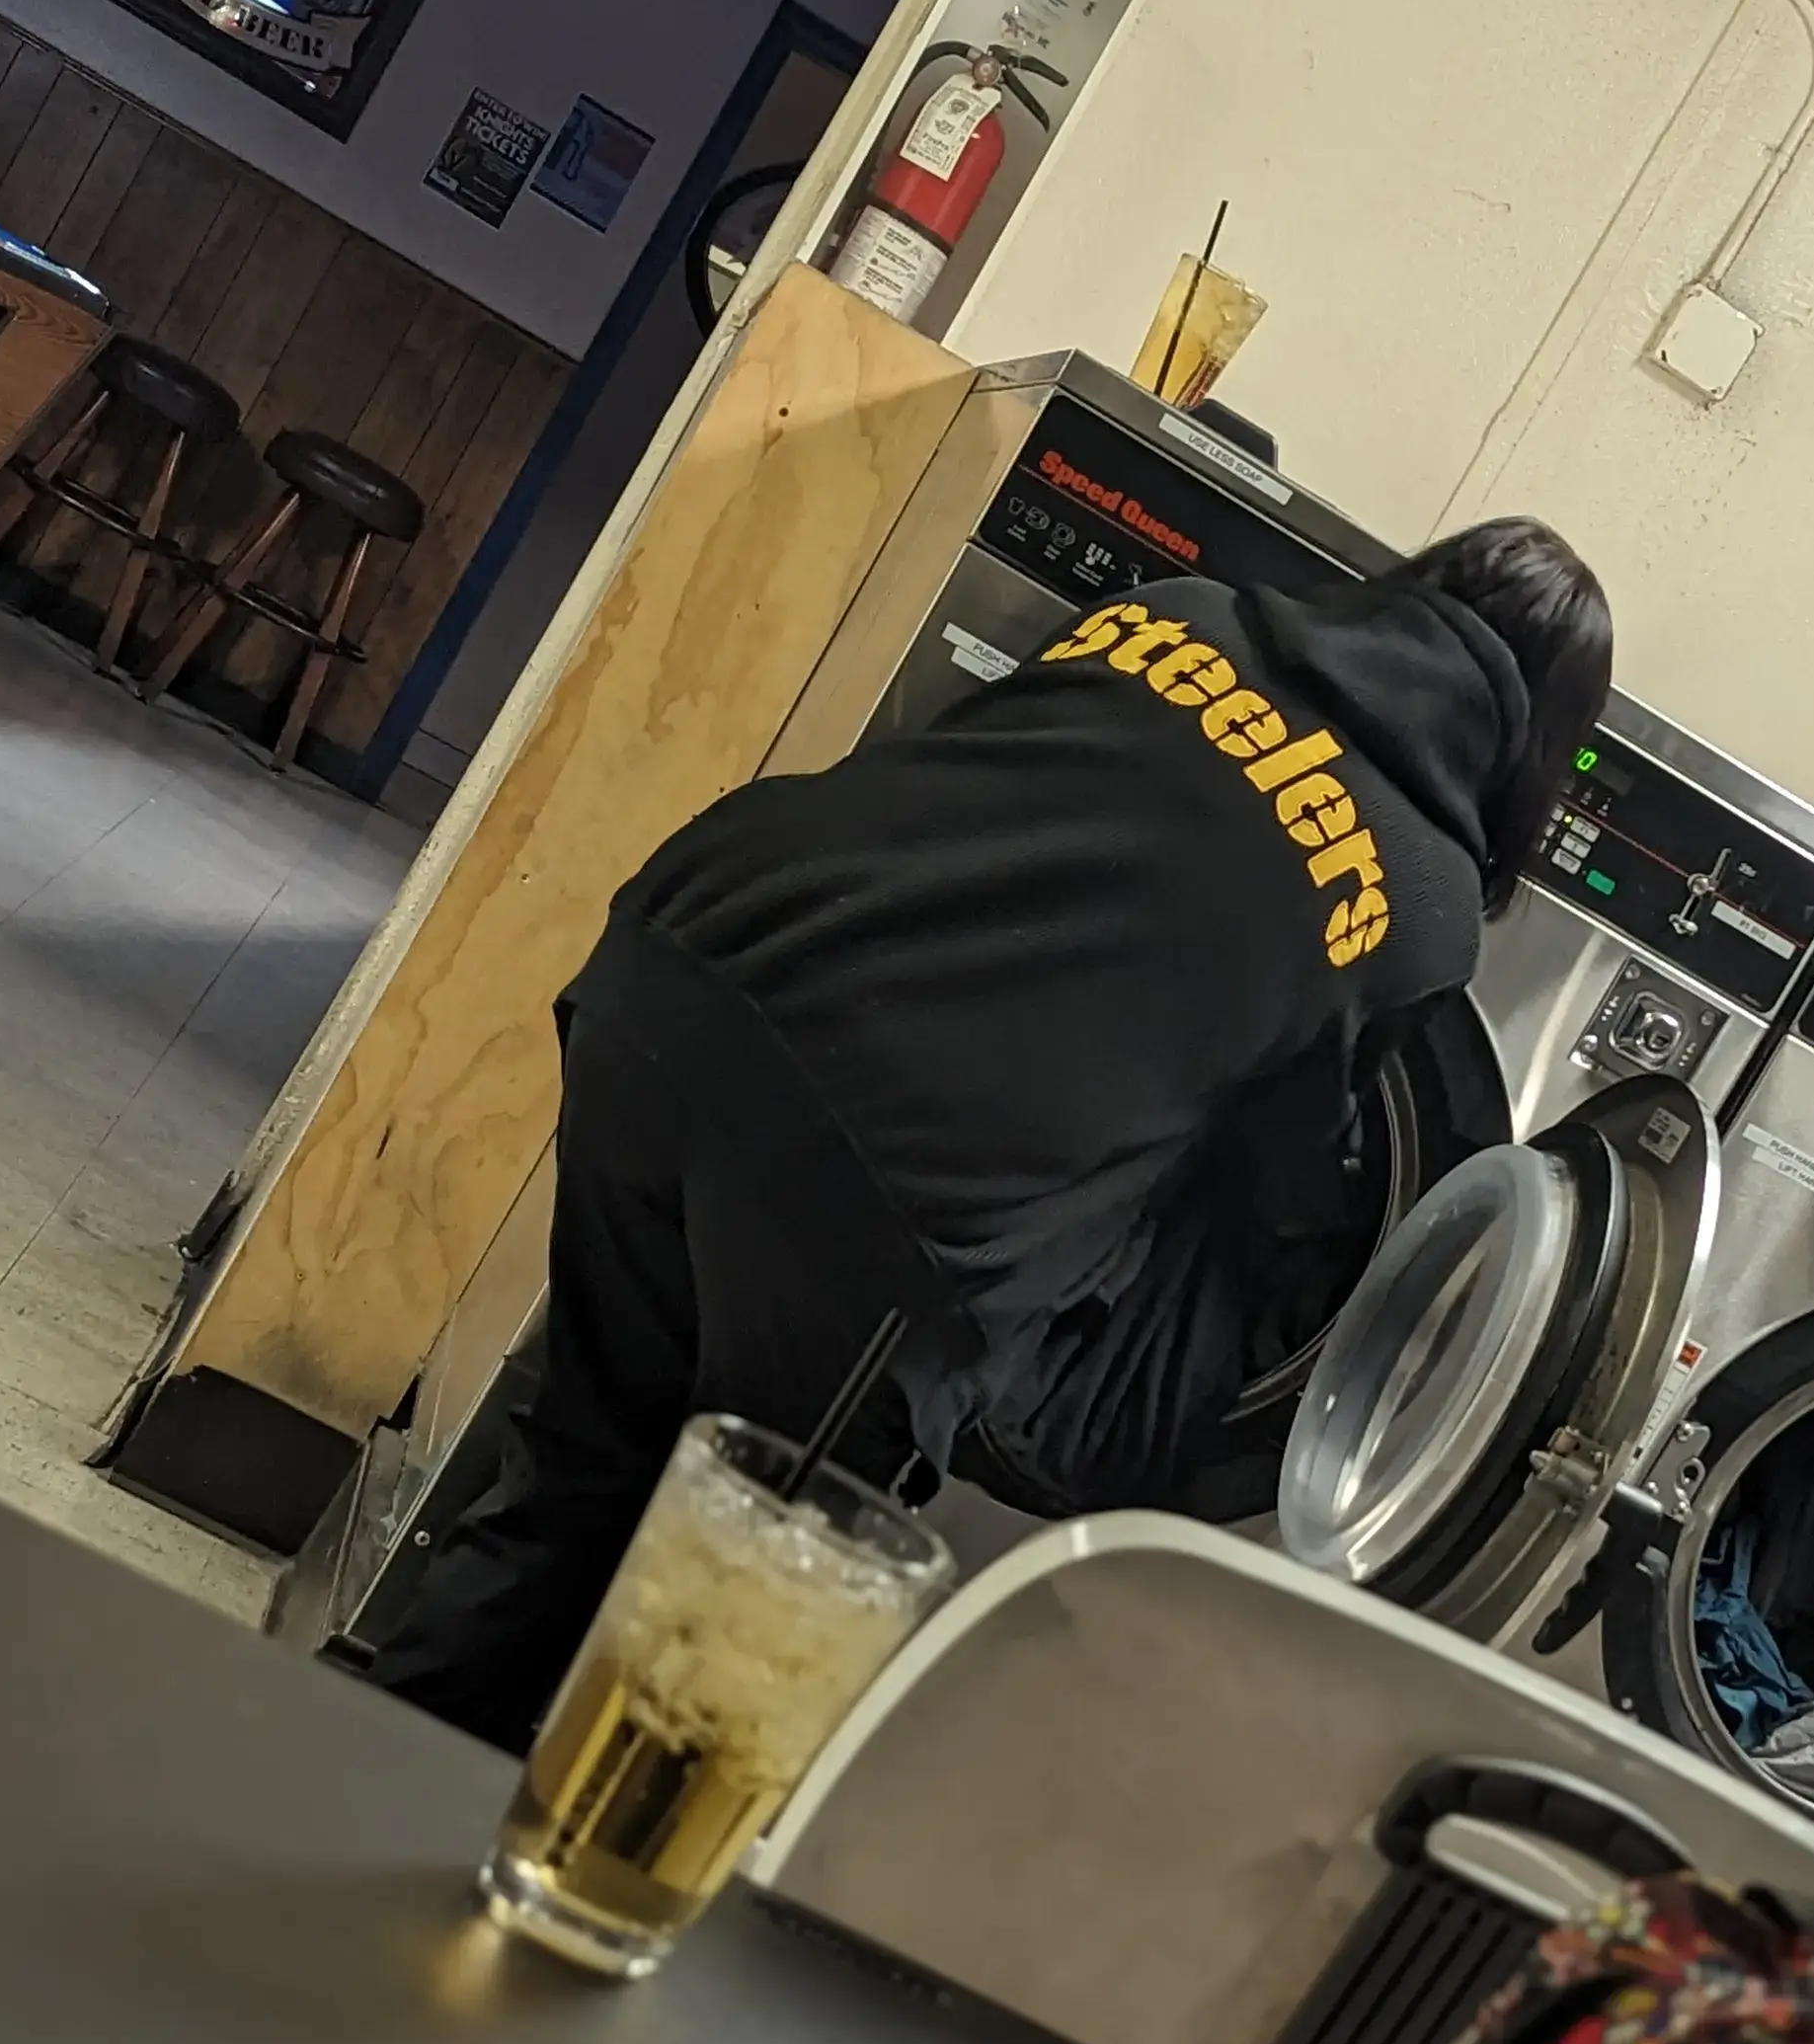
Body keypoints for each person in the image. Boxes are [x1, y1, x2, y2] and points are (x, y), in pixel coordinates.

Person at [367, 516, 1616, 1750]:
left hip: (685, 966)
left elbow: (978, 820)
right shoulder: (1424, 906)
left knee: (585, 1461)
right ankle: (597, 1852)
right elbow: (1276, 1180)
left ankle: (369, 1774)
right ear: (1541, 749)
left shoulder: (1177, 618)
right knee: (740, 1600)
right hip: (887, 1192)